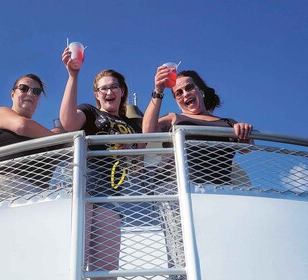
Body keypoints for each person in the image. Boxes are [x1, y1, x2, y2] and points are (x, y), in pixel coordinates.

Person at [142, 66, 253, 279]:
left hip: (218, 194)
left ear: (200, 90)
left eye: (189, 88)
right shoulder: (175, 117)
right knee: (182, 254)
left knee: (218, 252)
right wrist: (158, 90)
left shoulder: (228, 123)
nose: (185, 95)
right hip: (178, 193)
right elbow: (147, 132)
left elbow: (248, 147)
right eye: (178, 93)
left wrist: (244, 131)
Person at [60, 47, 142, 279]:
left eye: (113, 86)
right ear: (97, 94)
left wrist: (130, 150)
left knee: (105, 269)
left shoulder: (132, 124)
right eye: (103, 88)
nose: (108, 91)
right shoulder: (90, 112)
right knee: (75, 258)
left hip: (112, 191)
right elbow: (68, 122)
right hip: (84, 184)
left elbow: (141, 158)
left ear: (122, 91)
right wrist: (73, 76)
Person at [0, 73, 65, 203]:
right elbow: (22, 125)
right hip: (3, 187)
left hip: (37, 197)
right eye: (24, 88)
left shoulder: (45, 136)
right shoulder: (1, 113)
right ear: (12, 94)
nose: (30, 94)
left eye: (36, 91)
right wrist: (56, 137)